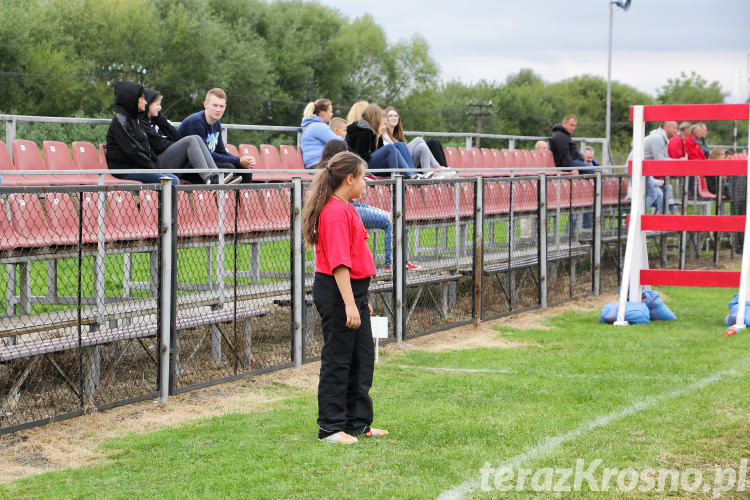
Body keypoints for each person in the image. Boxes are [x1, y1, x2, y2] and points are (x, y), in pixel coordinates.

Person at [302, 150, 388, 444]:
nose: (365, 183)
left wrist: (361, 299)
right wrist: (350, 303)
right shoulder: (334, 212)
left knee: (362, 357)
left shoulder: (347, 205)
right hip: (338, 292)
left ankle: (357, 422)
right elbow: (339, 263)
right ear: (349, 178)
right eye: (363, 177)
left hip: (353, 292)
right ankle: (330, 427)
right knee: (338, 360)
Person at [318, 140, 419, 271]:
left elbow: (362, 165)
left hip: (355, 206)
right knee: (391, 221)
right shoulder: (332, 171)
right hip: (346, 209)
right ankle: (392, 263)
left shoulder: (342, 167)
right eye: (346, 150)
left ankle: (402, 261)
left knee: (394, 216)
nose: (349, 153)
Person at [141, 88, 239, 184]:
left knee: (197, 139)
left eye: (221, 106)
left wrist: (161, 120)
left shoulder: (157, 121)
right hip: (157, 164)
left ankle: (214, 176)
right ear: (148, 105)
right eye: (157, 104)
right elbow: (159, 145)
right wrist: (175, 144)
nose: (160, 108)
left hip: (175, 160)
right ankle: (209, 179)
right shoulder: (142, 124)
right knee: (191, 140)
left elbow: (176, 136)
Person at [105, 81, 180, 185]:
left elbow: (146, 148)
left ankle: (151, 202)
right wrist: (153, 168)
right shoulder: (121, 121)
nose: (145, 102)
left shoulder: (136, 119)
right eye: (142, 98)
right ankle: (159, 202)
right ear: (133, 99)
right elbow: (134, 151)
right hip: (124, 170)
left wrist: (156, 166)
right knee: (172, 181)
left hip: (139, 167)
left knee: (172, 177)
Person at [177, 88, 255, 183]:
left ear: (225, 107)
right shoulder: (196, 122)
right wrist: (238, 160)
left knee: (244, 171)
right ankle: (221, 196)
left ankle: (239, 198)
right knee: (228, 167)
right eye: (215, 105)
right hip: (190, 168)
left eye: (221, 106)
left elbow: (221, 151)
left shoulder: (216, 123)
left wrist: (242, 160)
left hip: (209, 165)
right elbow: (205, 155)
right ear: (205, 105)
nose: (218, 109)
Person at [345, 104, 416, 178]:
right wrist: (379, 153)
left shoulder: (370, 129)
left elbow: (378, 149)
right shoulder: (363, 130)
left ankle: (411, 174)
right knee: (390, 148)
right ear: (375, 117)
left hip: (366, 162)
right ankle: (399, 176)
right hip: (361, 164)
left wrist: (378, 136)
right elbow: (364, 156)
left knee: (398, 146)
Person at [550, 114, 593, 230]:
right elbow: (565, 155)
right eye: (571, 125)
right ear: (564, 124)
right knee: (592, 169)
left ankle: (590, 193)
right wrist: (571, 169)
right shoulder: (560, 137)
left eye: (575, 126)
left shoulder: (565, 136)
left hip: (572, 163)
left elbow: (572, 153)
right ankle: (591, 193)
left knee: (593, 167)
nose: (573, 128)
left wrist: (580, 157)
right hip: (567, 167)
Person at [384, 106, 450, 175]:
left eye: (396, 116)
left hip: (409, 166)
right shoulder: (384, 134)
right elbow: (393, 150)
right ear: (385, 119)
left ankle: (426, 175)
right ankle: (437, 167)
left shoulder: (397, 136)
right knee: (418, 140)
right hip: (398, 165)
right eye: (390, 116)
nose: (393, 118)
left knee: (422, 146)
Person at [642, 121, 679, 214]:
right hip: (638, 169)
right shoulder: (658, 138)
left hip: (644, 170)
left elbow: (664, 158)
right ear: (667, 127)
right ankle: (640, 219)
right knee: (653, 194)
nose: (676, 131)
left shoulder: (662, 139)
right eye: (674, 128)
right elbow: (660, 160)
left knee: (660, 193)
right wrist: (678, 162)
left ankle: (658, 220)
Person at [299, 98, 344, 168]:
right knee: (353, 164)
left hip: (312, 164)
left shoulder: (311, 125)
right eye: (330, 111)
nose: (332, 114)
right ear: (323, 113)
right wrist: (343, 136)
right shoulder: (319, 126)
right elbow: (338, 142)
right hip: (318, 164)